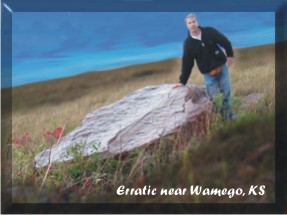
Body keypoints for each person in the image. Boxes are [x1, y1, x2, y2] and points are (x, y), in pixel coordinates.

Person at [173, 13, 235, 120]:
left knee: (226, 94)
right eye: (189, 23)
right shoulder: (188, 44)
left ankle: (230, 117)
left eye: (193, 21)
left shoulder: (209, 31)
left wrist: (229, 56)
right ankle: (221, 119)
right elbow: (187, 63)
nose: (192, 24)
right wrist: (182, 81)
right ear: (187, 25)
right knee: (214, 98)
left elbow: (225, 42)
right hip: (208, 74)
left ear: (197, 22)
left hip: (222, 68)